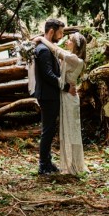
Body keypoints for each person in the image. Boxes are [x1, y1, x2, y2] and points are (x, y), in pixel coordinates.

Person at [34, 31, 89, 175]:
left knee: (71, 130)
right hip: (64, 95)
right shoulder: (72, 56)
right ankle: (67, 162)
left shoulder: (75, 59)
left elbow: (56, 50)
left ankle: (74, 164)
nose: (66, 41)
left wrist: (41, 38)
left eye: (69, 40)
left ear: (76, 45)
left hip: (69, 98)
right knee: (63, 130)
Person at [34, 18, 67, 175]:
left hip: (51, 95)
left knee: (50, 129)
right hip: (47, 96)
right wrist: (64, 85)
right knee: (47, 130)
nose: (61, 36)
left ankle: (47, 161)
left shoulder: (48, 48)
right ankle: (43, 165)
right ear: (52, 31)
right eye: (60, 33)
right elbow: (48, 75)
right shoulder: (44, 50)